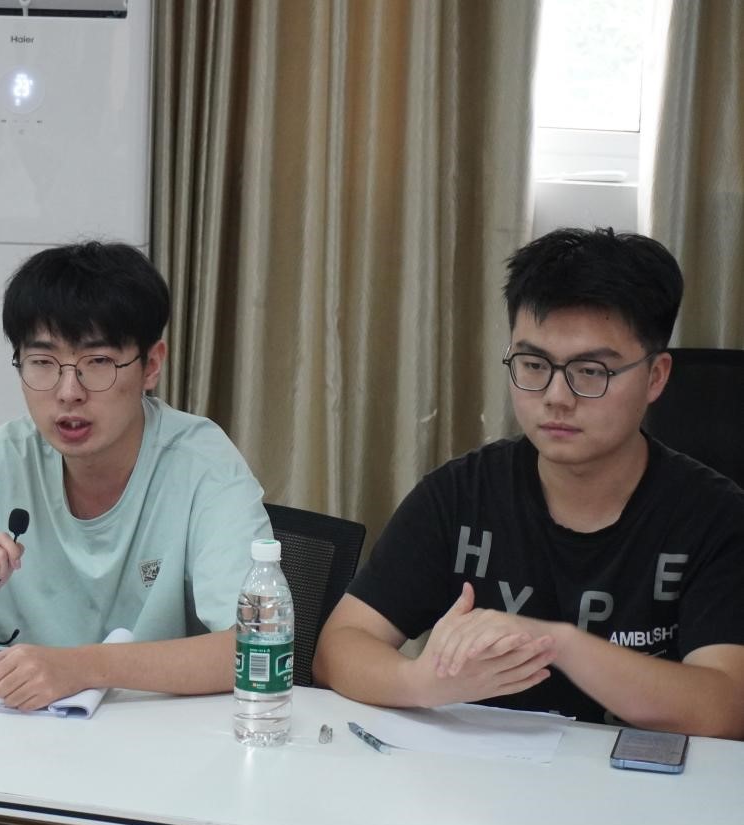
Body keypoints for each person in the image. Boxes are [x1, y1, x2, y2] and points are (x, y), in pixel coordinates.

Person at [314, 227, 744, 739]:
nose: (557, 396)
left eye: (591, 371)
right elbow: (339, 647)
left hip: (641, 781)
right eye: (534, 364)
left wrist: (558, 644)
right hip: (484, 777)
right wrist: (421, 682)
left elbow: (724, 708)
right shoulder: (461, 495)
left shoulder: (715, 517)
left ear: (656, 376)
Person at [0, 240, 270, 709]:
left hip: (154, 731)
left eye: (98, 362)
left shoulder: (203, 466)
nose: (68, 392)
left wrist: (83, 667)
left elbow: (256, 646)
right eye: (43, 363)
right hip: (13, 725)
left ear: (151, 366)